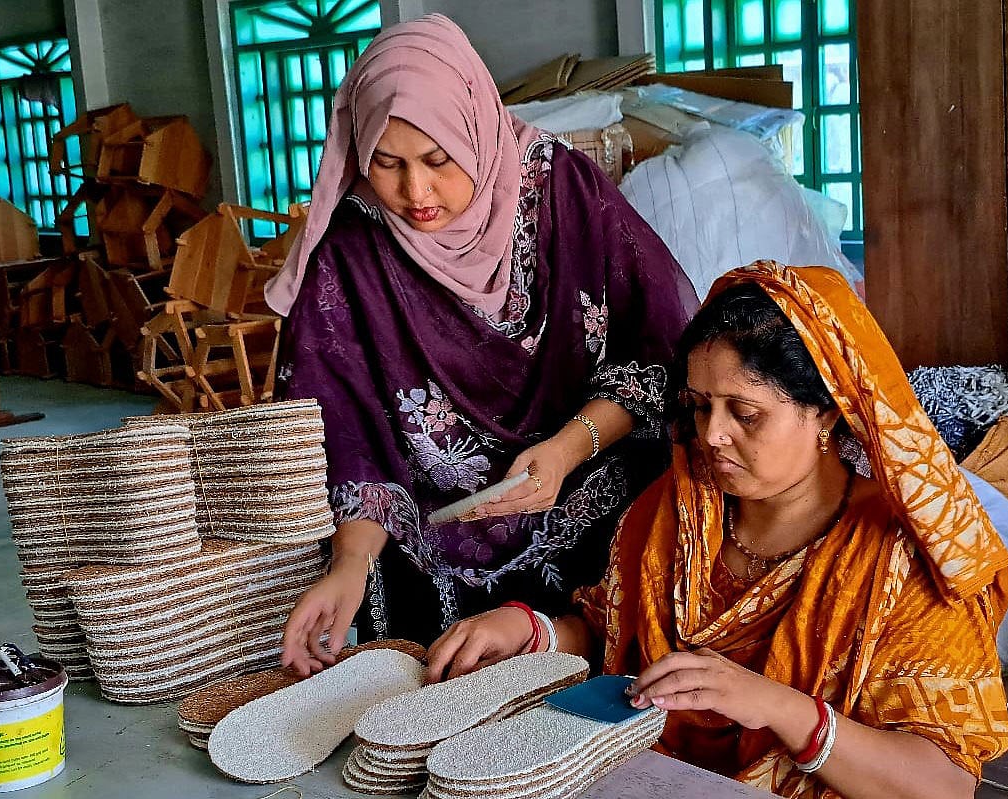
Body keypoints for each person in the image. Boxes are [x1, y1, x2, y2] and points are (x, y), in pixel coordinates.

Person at [428, 261, 1008, 799]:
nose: (711, 436)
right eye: (700, 406)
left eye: (746, 414)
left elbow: (945, 784)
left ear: (827, 414)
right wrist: (534, 633)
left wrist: (780, 709)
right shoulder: (678, 508)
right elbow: (615, 635)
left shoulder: (899, 562)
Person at [266, 14, 698, 674]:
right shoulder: (353, 251)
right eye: (387, 164)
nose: (416, 192)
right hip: (432, 555)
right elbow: (344, 433)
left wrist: (564, 449)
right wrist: (349, 562)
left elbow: (660, 350)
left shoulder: (563, 193)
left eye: (438, 161)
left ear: (475, 131)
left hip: (586, 511)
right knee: (445, 715)